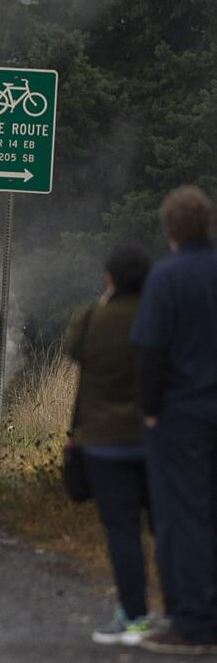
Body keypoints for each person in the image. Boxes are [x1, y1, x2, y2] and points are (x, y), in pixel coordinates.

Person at [131, 185, 217, 655]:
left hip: (181, 417)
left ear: (170, 230)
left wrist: (147, 410)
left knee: (183, 520)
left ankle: (190, 622)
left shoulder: (166, 279)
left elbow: (150, 352)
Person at [64, 246, 154, 646]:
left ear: (109, 278)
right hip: (155, 441)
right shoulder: (157, 317)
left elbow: (71, 350)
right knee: (168, 525)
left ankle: (133, 615)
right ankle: (184, 612)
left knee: (122, 531)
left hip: (105, 444)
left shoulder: (93, 318)